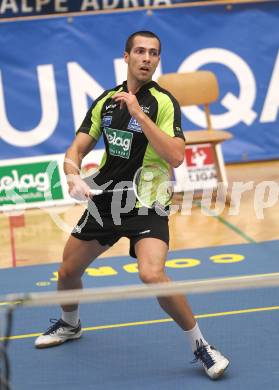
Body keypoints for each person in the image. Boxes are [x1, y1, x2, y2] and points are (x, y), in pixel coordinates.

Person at [35, 30, 229, 379]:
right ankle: (69, 324)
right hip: (107, 200)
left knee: (151, 273)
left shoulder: (164, 102)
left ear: (157, 60)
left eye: (153, 53)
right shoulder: (106, 101)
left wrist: (140, 114)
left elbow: (176, 156)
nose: (147, 58)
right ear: (126, 57)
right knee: (67, 272)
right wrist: (73, 175)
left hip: (148, 201)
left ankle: (202, 346)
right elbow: (76, 147)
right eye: (140, 51)